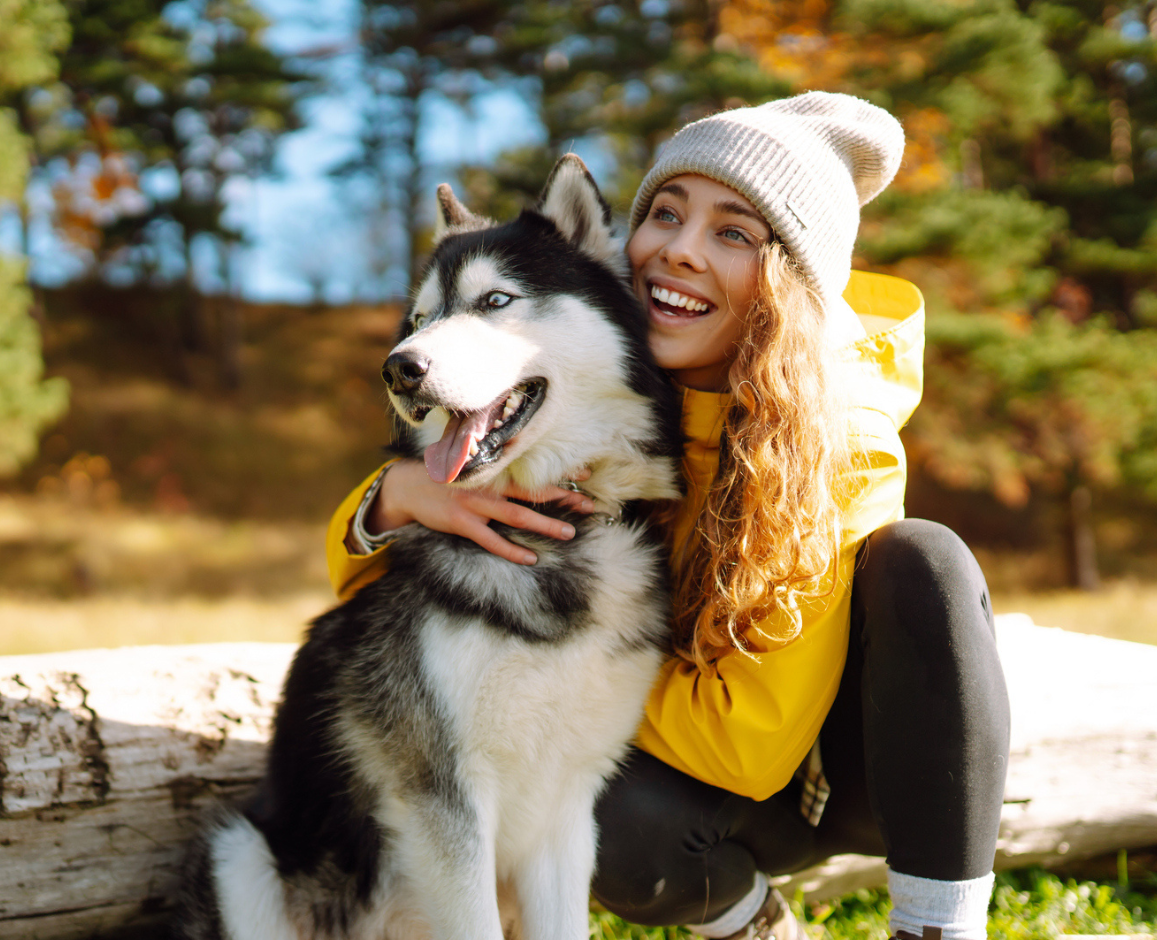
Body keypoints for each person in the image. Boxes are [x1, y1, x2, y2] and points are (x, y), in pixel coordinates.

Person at [323, 93, 1009, 940]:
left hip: (818, 772)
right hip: (654, 742)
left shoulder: (843, 441)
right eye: (664, 214)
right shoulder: (592, 391)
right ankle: (753, 921)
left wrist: (537, 682)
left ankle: (937, 927)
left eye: (733, 233)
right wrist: (393, 499)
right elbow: (395, 596)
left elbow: (746, 745)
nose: (677, 252)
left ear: (790, 281)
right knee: (607, 814)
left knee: (926, 558)